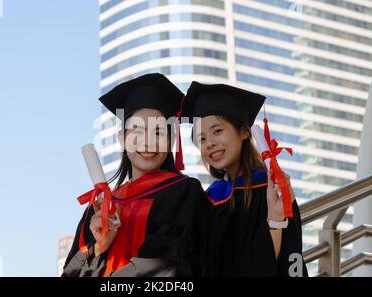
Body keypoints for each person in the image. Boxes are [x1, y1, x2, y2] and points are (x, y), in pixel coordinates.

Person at [62, 73, 210, 277]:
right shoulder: (101, 207)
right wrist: (98, 249)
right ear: (122, 139)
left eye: (158, 132)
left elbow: (171, 265)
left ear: (171, 140)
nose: (148, 142)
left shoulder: (184, 193)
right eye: (137, 131)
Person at [181, 81, 308, 277]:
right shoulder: (209, 200)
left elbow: (287, 260)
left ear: (244, 132)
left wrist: (274, 219)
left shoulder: (271, 190)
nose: (209, 144)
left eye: (217, 131)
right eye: (201, 139)